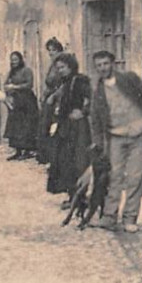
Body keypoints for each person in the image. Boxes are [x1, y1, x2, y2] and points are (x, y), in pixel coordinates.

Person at [90, 50, 142, 233]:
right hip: (116, 136)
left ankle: (130, 218)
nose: (103, 68)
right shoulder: (98, 92)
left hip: (140, 132)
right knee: (115, 176)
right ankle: (110, 216)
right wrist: (99, 142)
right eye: (99, 65)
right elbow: (95, 120)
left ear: (113, 63)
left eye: (105, 63)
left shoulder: (129, 79)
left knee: (135, 176)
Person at [46, 52, 92, 198]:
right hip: (65, 126)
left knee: (78, 161)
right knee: (64, 161)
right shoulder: (65, 82)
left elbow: (93, 98)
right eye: (58, 68)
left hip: (77, 128)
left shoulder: (79, 81)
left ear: (71, 67)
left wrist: (83, 112)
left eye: (63, 67)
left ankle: (80, 197)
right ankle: (72, 196)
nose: (60, 71)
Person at [3, 50, 39, 160]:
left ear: (20, 60)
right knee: (15, 126)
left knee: (26, 125)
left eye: (16, 59)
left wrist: (15, 87)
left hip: (27, 101)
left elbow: (29, 84)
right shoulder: (11, 73)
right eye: (12, 60)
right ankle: (17, 151)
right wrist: (8, 94)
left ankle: (27, 150)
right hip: (16, 101)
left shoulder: (27, 71)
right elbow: (6, 84)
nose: (14, 62)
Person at [37, 37, 64, 164]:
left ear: (59, 50)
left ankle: (56, 156)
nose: (51, 53)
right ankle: (47, 156)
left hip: (58, 99)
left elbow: (64, 84)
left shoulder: (63, 65)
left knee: (55, 125)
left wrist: (54, 96)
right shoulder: (52, 65)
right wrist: (44, 94)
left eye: (54, 50)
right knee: (45, 125)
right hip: (49, 98)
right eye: (49, 50)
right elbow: (48, 83)